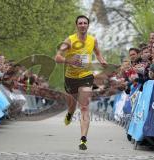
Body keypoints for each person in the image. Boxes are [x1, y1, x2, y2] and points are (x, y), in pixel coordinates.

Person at [55, 15, 107, 150]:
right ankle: (70, 114)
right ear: (76, 25)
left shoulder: (93, 40)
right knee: (72, 105)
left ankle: (83, 139)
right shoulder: (69, 40)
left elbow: (98, 53)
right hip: (70, 77)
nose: (83, 25)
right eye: (80, 23)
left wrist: (102, 60)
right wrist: (69, 60)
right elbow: (57, 57)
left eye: (85, 23)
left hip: (86, 76)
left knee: (84, 106)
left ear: (88, 25)